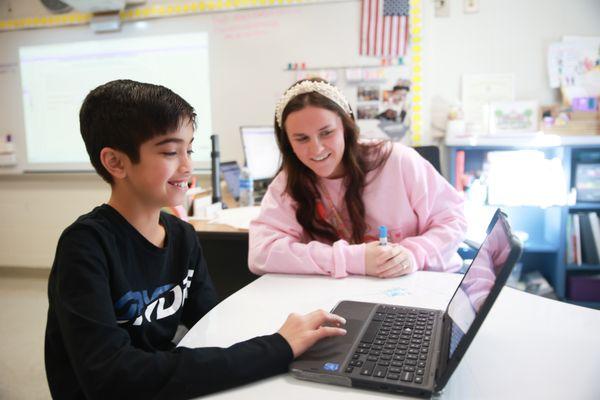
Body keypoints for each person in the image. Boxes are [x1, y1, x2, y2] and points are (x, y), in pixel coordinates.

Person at [44, 80, 347, 400]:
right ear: (116, 162)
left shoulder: (181, 236)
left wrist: (287, 337)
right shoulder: (85, 247)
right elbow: (113, 377)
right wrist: (276, 348)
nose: (188, 167)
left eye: (189, 149)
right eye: (171, 152)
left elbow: (211, 324)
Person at [249, 78, 467, 279]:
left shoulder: (397, 160)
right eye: (301, 138)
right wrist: (355, 259)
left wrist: (414, 254)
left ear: (346, 126)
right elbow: (261, 253)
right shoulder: (289, 183)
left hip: (421, 284)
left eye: (326, 132)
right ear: (287, 143)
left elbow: (453, 220)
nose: (316, 149)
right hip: (342, 297)